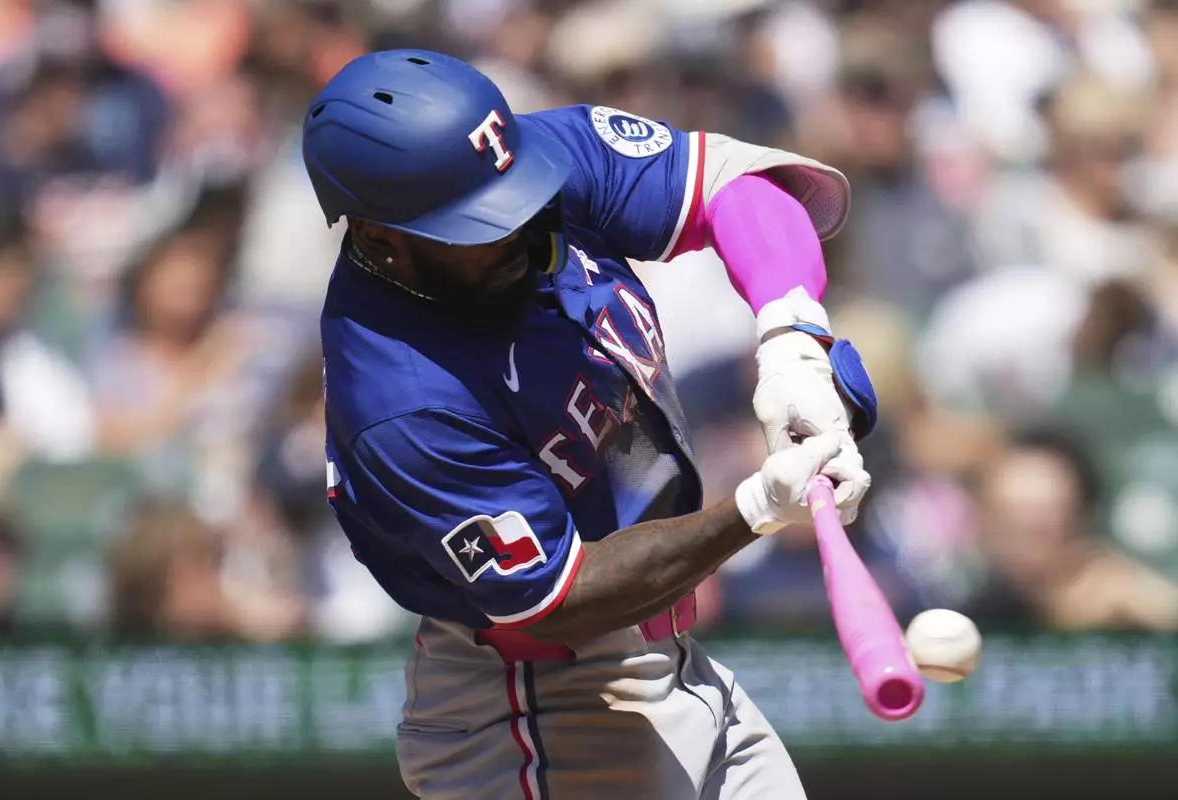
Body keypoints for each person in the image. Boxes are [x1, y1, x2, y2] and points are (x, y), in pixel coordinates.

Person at [307, 50, 877, 800]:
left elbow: (741, 187)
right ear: (383, 238)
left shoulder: (517, 163)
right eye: (479, 224)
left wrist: (790, 335)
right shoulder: (400, 400)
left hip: (669, 656)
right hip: (544, 710)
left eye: (514, 194)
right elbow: (564, 600)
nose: (518, 224)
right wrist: (757, 509)